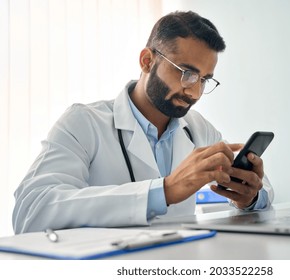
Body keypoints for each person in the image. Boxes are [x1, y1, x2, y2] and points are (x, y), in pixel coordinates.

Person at [12, 11, 274, 234]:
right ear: (147, 61)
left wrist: (248, 197)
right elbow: (31, 211)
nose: (194, 93)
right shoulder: (84, 122)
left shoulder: (197, 129)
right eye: (186, 73)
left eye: (204, 79)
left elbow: (266, 192)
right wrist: (164, 190)